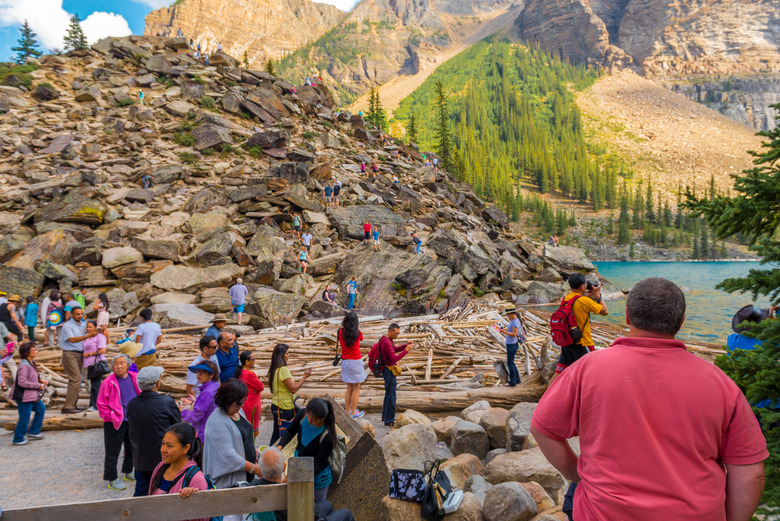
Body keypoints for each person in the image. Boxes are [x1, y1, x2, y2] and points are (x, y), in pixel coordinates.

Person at [530, 277, 768, 521]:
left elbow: (543, 428)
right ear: (681, 322)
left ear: (627, 317)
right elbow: (750, 472)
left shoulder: (587, 369)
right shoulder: (719, 382)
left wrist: (577, 474)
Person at [204, 380, 262, 521]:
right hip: (229, 481)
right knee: (231, 514)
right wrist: (254, 468)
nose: (241, 405)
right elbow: (228, 456)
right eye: (238, 403)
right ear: (226, 400)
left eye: (243, 401)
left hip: (244, 473)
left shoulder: (238, 411)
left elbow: (244, 437)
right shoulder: (216, 422)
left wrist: (255, 453)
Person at [255, 447, 356, 521]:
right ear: (284, 467)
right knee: (345, 513)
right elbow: (312, 512)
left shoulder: (253, 487)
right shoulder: (290, 493)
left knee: (327, 506)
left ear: (260, 468)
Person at [127, 366, 182, 496]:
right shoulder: (166, 403)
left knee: (141, 493)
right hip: (163, 458)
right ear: (158, 383)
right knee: (165, 492)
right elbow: (177, 427)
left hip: (140, 458)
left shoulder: (132, 404)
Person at [550, 273, 608, 383]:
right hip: (583, 342)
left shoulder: (566, 299)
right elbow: (605, 311)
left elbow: (576, 304)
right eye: (585, 284)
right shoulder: (584, 301)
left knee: (559, 372)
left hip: (568, 341)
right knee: (591, 373)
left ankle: (547, 395)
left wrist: (588, 296)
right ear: (582, 286)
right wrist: (598, 294)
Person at [279, 398, 338, 501]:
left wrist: (295, 475)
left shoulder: (327, 437)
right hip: (299, 464)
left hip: (317, 477)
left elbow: (317, 465)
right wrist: (279, 446)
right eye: (308, 417)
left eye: (314, 420)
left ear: (322, 418)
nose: (310, 421)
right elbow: (290, 431)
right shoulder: (302, 415)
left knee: (315, 507)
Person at [97, 354, 140, 491]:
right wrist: (110, 416)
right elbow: (101, 404)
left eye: (122, 363)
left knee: (132, 447)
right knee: (112, 451)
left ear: (128, 365)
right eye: (116, 364)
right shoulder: (108, 382)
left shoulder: (134, 377)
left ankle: (128, 471)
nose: (119, 366)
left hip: (132, 420)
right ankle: (112, 478)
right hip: (115, 421)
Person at [149, 422, 211, 517]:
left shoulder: (196, 479)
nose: (163, 449)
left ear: (185, 448)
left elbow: (203, 517)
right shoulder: (160, 467)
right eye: (163, 444)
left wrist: (190, 500)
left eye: (169, 446)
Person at [268, 343, 312, 445]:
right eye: (287, 353)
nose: (289, 356)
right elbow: (293, 389)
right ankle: (276, 456)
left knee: (276, 433)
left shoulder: (274, 369)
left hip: (276, 404)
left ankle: (269, 455)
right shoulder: (283, 370)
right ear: (282, 355)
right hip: (284, 407)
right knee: (285, 434)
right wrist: (304, 377)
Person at [372, 323, 413, 426]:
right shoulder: (386, 342)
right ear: (390, 331)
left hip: (387, 369)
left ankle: (385, 416)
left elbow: (393, 350)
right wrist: (406, 351)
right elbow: (394, 359)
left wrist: (405, 346)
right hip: (388, 370)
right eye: (395, 333)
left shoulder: (386, 339)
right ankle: (389, 419)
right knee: (392, 395)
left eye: (398, 333)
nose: (397, 335)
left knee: (388, 393)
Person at [11, 342, 48, 446]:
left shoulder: (32, 362)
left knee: (41, 409)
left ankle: (34, 431)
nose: (37, 351)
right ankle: (18, 439)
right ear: (27, 352)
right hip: (24, 396)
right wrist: (37, 386)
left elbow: (32, 376)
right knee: (24, 418)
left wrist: (40, 380)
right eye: (34, 349)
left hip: (31, 395)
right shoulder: (24, 365)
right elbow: (22, 382)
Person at [61, 306, 95, 413]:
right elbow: (71, 339)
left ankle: (72, 404)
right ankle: (68, 407)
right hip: (69, 354)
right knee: (76, 379)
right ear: (71, 315)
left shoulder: (84, 324)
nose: (79, 316)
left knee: (75, 380)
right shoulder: (67, 326)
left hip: (80, 354)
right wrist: (87, 336)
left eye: (81, 314)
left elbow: (92, 331)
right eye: (77, 314)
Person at [181, 361, 219, 441]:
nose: (199, 374)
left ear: (211, 375)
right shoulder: (214, 385)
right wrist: (194, 402)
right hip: (212, 430)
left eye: (203, 372)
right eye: (198, 371)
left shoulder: (207, 392)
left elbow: (196, 415)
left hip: (203, 433)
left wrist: (182, 411)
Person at [338, 313, 365, 418]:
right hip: (356, 361)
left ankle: (347, 411)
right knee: (356, 388)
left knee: (349, 388)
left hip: (345, 362)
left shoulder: (340, 332)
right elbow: (361, 339)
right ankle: (353, 413)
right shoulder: (358, 333)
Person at [235, 351, 264, 439]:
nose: (255, 361)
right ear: (247, 362)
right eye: (253, 359)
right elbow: (260, 387)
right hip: (252, 404)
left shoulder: (240, 372)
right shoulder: (249, 374)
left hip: (245, 403)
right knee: (251, 427)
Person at [82, 320, 108, 411]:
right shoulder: (87, 337)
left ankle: (96, 406)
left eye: (90, 327)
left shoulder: (99, 337)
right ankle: (92, 405)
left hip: (96, 364)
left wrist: (89, 354)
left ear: (95, 327)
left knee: (96, 385)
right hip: (88, 364)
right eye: (87, 327)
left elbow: (102, 350)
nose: (88, 329)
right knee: (93, 385)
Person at [499, 308, 525, 387]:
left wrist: (504, 332)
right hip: (511, 343)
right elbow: (512, 331)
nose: (507, 316)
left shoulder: (515, 322)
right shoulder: (513, 321)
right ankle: (517, 379)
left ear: (511, 314)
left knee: (510, 363)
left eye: (507, 315)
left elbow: (514, 334)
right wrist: (503, 330)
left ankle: (512, 381)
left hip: (512, 344)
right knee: (511, 362)